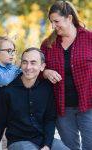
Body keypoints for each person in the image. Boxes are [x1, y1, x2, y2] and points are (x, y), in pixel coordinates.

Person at [0, 47, 70, 150]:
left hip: (43, 140)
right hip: (19, 142)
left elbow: (49, 119)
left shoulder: (47, 89)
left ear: (42, 66)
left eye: (33, 63)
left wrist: (47, 146)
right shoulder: (6, 91)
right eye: (25, 62)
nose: (28, 67)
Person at [40, 1, 92, 150]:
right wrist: (45, 72)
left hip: (88, 105)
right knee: (69, 147)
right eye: (51, 22)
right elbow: (36, 69)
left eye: (56, 21)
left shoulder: (89, 39)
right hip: (62, 108)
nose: (53, 26)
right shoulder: (48, 44)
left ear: (69, 18)